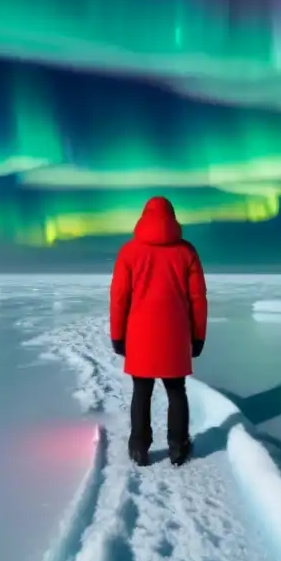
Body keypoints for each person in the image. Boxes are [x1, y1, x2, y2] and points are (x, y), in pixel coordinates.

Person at [109, 196, 208, 467]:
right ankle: (178, 446)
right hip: (175, 336)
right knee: (176, 391)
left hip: (140, 335)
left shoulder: (129, 252)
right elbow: (198, 298)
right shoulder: (186, 252)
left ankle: (139, 447)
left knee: (141, 391)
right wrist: (198, 336)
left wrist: (118, 334)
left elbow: (119, 298)